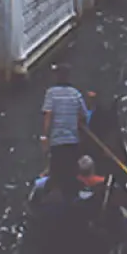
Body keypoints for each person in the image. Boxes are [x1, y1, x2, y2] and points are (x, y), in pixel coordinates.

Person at [41, 61, 91, 197]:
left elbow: (48, 115)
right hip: (73, 141)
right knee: (70, 173)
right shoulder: (76, 94)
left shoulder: (51, 93)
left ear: (57, 76)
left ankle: (56, 196)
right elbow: (84, 115)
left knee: (57, 173)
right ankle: (71, 197)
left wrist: (45, 136)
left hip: (57, 141)